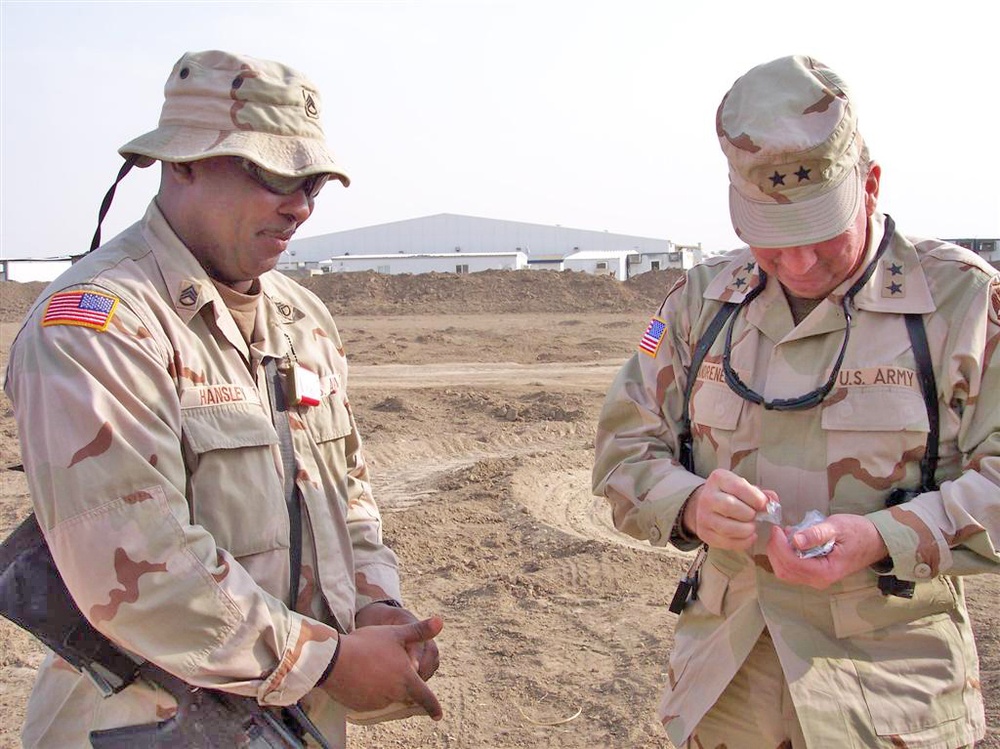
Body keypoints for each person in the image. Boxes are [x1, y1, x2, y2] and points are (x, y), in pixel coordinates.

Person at [3, 50, 442, 748]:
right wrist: (324, 660)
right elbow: (141, 564)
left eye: (314, 182)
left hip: (292, 720)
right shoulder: (99, 324)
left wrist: (375, 601)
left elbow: (346, 493)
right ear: (182, 163)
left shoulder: (302, 321)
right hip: (145, 725)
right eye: (271, 174)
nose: (298, 205)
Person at [592, 54, 1000, 748]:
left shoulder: (963, 303)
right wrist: (690, 502)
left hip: (890, 699)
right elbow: (624, 451)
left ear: (869, 186)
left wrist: (882, 537)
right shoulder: (699, 302)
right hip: (725, 688)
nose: (800, 265)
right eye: (775, 243)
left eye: (820, 234)